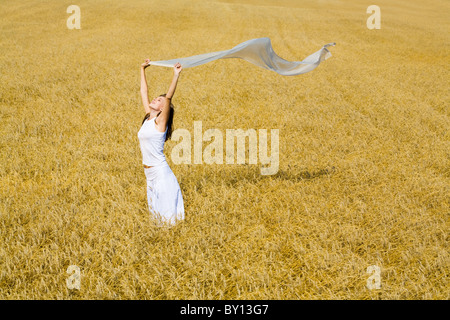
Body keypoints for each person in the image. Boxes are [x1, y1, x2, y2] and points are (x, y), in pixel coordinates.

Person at [138, 59, 184, 226]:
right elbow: (144, 92)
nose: (155, 100)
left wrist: (176, 75)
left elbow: (169, 97)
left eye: (159, 101)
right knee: (156, 218)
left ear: (163, 109)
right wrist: (142, 69)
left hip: (160, 173)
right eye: (156, 99)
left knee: (167, 220)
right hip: (149, 174)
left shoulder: (160, 122)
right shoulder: (148, 118)